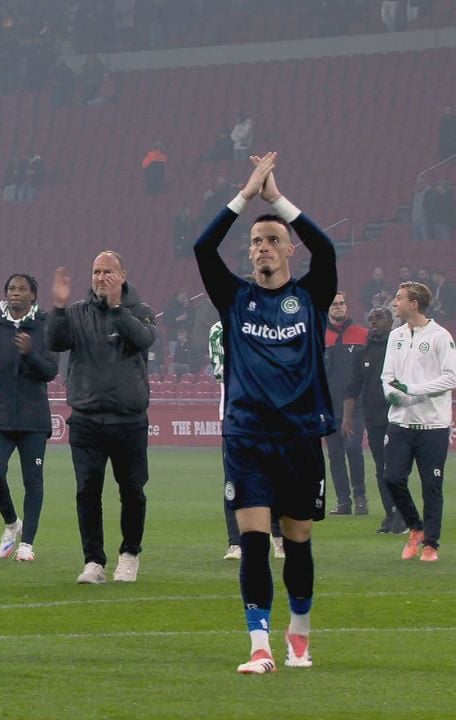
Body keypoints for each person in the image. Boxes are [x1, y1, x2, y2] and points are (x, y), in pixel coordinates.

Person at [194, 152, 336, 675]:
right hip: (247, 437)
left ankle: (299, 630)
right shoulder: (233, 298)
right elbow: (203, 246)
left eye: (273, 240)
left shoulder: (311, 296)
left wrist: (275, 198)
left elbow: (327, 247)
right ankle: (259, 645)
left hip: (299, 436)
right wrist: (245, 194)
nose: (263, 248)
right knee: (254, 542)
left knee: (297, 541)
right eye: (256, 242)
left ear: (288, 250)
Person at [47, 252, 156, 585]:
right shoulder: (77, 312)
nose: (101, 277)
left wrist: (115, 308)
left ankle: (130, 554)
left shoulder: (141, 312)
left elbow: (144, 340)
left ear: (122, 275)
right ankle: (93, 561)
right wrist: (60, 307)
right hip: (86, 419)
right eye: (96, 272)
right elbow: (55, 341)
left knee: (133, 491)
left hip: (129, 420)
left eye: (108, 271)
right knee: (87, 490)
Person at [0, 274, 58, 562]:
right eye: (11, 289)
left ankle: (27, 544)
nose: (15, 293)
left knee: (33, 481)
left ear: (33, 295)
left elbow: (50, 371)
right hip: (1, 417)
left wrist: (30, 353)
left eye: (22, 289)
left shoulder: (44, 327)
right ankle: (11, 522)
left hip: (33, 419)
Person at [381, 281, 456, 562]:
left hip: (432, 426)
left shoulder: (440, 336)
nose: (394, 302)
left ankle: (431, 545)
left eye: (399, 298)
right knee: (391, 478)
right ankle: (416, 527)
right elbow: (387, 375)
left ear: (414, 304)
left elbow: (451, 377)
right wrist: (392, 394)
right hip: (400, 422)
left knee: (431, 487)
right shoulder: (395, 335)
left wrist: (411, 391)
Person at [210, 320, 287, 561]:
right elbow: (221, 371)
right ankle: (236, 543)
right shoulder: (220, 329)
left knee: (274, 477)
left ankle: (278, 538)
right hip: (236, 417)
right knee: (234, 481)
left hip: (270, 414)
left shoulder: (272, 326)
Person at [343, 307, 405, 534]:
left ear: (391, 321)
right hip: (374, 418)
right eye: (370, 319)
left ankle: (401, 514)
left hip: (397, 416)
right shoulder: (363, 352)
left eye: (378, 318)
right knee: (381, 468)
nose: (373, 322)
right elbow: (353, 387)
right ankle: (391, 515)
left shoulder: (399, 348)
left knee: (395, 467)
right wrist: (347, 418)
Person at [323, 292, 369, 515]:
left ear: (347, 307)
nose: (339, 307)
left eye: (342, 303)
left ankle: (360, 497)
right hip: (329, 407)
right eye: (334, 304)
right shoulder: (320, 337)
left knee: (353, 449)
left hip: (355, 405)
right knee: (335, 455)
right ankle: (343, 501)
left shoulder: (362, 335)